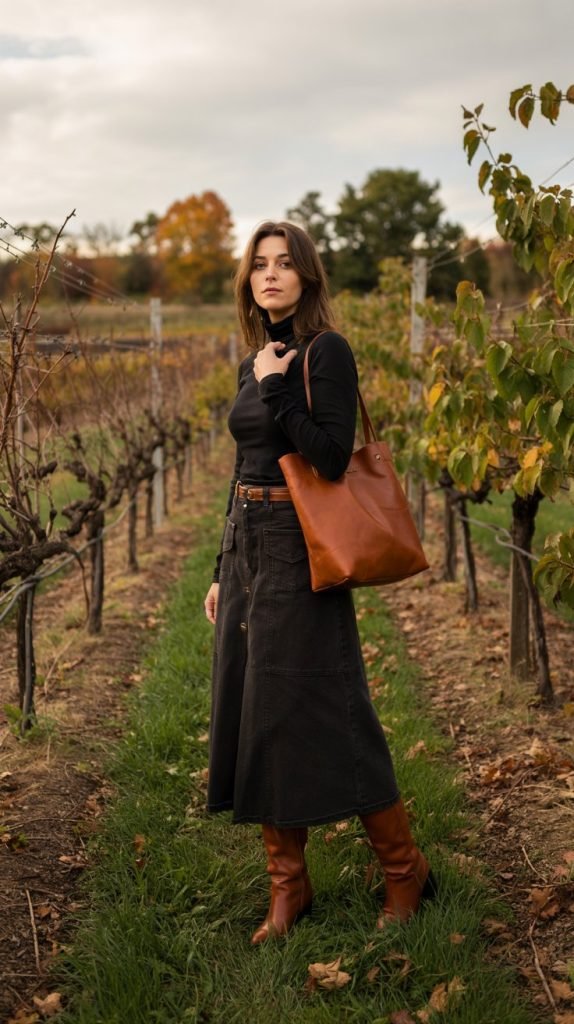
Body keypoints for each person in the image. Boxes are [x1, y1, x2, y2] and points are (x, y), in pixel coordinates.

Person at [203, 221, 435, 945]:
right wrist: (221, 567)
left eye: (284, 264)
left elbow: (332, 458)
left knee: (331, 703)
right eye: (259, 265)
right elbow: (245, 471)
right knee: (257, 709)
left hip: (303, 547)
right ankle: (289, 885)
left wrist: (278, 393)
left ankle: (404, 868)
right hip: (250, 541)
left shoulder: (325, 352)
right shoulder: (255, 361)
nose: (269, 275)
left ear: (307, 275)